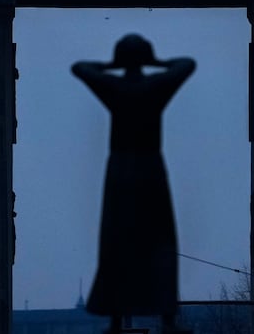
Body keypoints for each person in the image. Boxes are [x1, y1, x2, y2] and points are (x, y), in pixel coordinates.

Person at [72, 34, 196, 333]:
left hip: (119, 169)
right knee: (162, 242)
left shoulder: (114, 87)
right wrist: (158, 62)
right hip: (150, 166)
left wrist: (110, 65)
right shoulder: (155, 86)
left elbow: (80, 67)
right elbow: (186, 64)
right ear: (146, 58)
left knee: (117, 242)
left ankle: (115, 319)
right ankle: (167, 318)